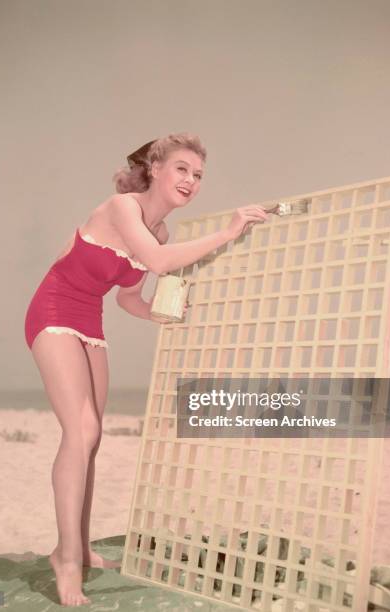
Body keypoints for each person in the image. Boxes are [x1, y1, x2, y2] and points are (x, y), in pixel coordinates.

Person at [23, 132, 268, 606]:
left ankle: (82, 546)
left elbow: (128, 297)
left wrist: (161, 313)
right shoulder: (122, 208)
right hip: (52, 310)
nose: (190, 181)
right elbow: (157, 263)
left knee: (93, 438)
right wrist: (229, 231)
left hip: (89, 321)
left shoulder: (160, 231)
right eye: (181, 169)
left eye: (197, 175)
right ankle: (66, 560)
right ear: (154, 167)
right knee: (81, 430)